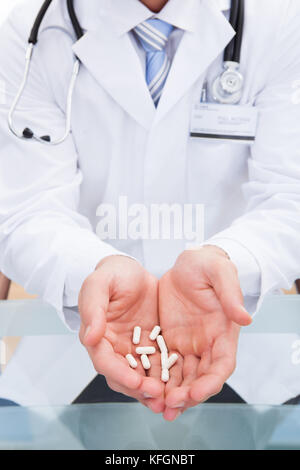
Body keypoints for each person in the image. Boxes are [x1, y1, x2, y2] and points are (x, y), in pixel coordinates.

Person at [0, 0, 300, 421]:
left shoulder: (280, 22)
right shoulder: (32, 32)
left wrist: (230, 260)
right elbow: (24, 209)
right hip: (74, 356)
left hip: (248, 353)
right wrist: (93, 268)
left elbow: (291, 197)